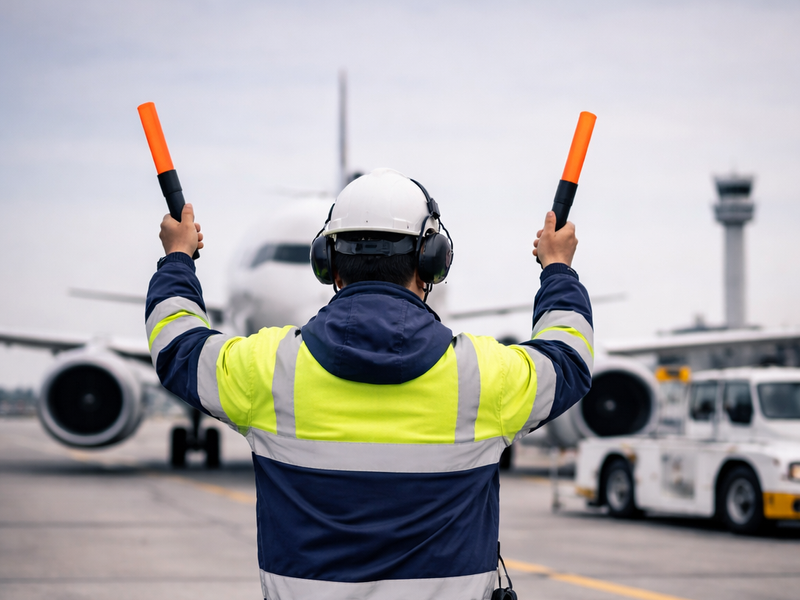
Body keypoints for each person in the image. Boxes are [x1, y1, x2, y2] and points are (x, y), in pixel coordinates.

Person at [146, 168, 593, 600]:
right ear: (430, 265)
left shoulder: (268, 369)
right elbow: (567, 357)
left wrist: (178, 257)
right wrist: (556, 267)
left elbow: (178, 346)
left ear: (329, 268)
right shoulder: (482, 376)